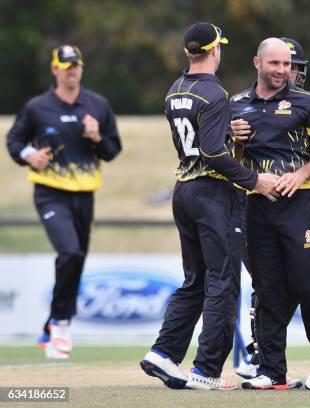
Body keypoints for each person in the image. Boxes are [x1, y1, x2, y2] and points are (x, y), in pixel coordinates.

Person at [139, 22, 278, 391]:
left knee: (195, 280)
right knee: (223, 283)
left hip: (183, 192)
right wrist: (254, 180)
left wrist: (227, 130)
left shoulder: (176, 89)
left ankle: (164, 352)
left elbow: (200, 139)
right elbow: (213, 153)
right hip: (214, 195)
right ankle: (207, 371)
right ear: (215, 50)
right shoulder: (215, 93)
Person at [229, 38, 310, 390]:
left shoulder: (305, 102)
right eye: (275, 64)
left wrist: (301, 174)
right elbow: (224, 161)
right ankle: (272, 370)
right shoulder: (236, 106)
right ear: (257, 63)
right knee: (267, 287)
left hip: (299, 203)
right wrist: (232, 140)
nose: (282, 71)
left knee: (308, 282)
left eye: (286, 64)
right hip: (256, 204)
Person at [6, 44, 122, 359]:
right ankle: (60, 323)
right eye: (66, 66)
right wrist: (30, 156)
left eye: (77, 66)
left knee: (76, 261)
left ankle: (50, 327)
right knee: (68, 252)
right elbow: (14, 141)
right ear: (54, 69)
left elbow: (113, 151)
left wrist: (97, 137)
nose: (72, 71)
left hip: (85, 195)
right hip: (49, 192)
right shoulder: (37, 107)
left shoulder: (97, 105)